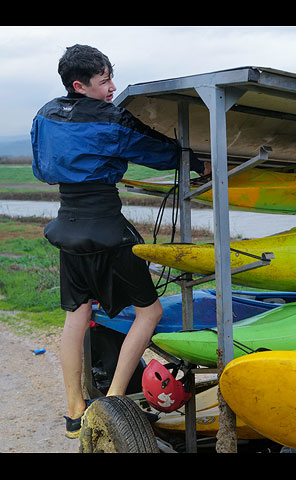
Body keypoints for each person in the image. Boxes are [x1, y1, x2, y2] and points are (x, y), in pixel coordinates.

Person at [30, 44, 203, 438]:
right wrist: (196, 163)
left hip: (67, 226)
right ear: (81, 84)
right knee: (150, 312)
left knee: (77, 315)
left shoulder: (45, 115)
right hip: (107, 227)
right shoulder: (112, 120)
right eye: (104, 81)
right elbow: (160, 151)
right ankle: (114, 399)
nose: (112, 87)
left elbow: (41, 169)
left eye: (111, 77)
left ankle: (75, 411)